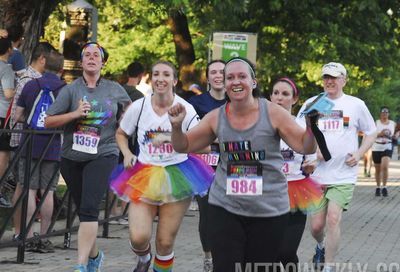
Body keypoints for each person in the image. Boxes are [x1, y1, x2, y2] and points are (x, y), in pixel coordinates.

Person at [168, 57, 318, 272]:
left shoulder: (273, 113)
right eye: (230, 77)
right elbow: (183, 145)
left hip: (268, 209)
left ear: (253, 82)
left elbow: (305, 146)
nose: (235, 82)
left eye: (242, 76)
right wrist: (176, 127)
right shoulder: (215, 118)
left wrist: (312, 130)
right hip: (226, 206)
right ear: (224, 84)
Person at [110, 60, 214, 272]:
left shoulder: (186, 108)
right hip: (144, 173)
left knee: (165, 243)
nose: (160, 79)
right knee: (139, 238)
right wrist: (127, 153)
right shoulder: (139, 107)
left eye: (166, 75)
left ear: (174, 80)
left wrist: (172, 138)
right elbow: (121, 134)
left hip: (178, 174)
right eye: (156, 74)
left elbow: (204, 146)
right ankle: (143, 257)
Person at [45, 42, 131, 272]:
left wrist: (124, 121)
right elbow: (48, 120)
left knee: (90, 208)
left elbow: (130, 111)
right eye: (87, 55)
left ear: (103, 62)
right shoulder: (71, 90)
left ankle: (81, 266)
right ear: (82, 62)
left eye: (97, 55)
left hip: (104, 152)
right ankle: (94, 256)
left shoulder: (114, 89)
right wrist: (74, 114)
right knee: (85, 211)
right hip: (72, 157)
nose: (92, 58)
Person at [297, 62, 376, 272]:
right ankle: (320, 246)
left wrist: (359, 154)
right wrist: (311, 156)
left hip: (343, 175)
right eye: (326, 77)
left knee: (333, 219)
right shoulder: (314, 103)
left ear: (344, 80)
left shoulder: (355, 104)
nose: (329, 81)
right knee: (316, 227)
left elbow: (371, 131)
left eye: (334, 77)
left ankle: (329, 266)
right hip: (317, 174)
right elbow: (298, 132)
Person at [13, 50, 65, 253]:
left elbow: (18, 116)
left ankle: (25, 236)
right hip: (52, 146)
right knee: (48, 192)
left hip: (30, 144)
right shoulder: (65, 89)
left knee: (30, 190)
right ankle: (43, 236)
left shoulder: (30, 85)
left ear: (44, 65)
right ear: (61, 69)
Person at [271, 77, 322, 272]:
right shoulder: (261, 123)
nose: (279, 98)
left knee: (286, 251)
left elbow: (311, 156)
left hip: (296, 190)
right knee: (270, 251)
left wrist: (311, 164)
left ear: (294, 99)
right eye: (275, 93)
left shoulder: (302, 125)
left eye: (285, 94)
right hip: (268, 192)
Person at [188, 59, 226, 272]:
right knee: (208, 213)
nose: (218, 75)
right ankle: (208, 257)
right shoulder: (197, 103)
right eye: (214, 72)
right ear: (208, 77)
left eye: (222, 72)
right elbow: (193, 134)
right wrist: (216, 140)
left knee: (230, 212)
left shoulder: (236, 100)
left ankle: (227, 252)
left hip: (233, 165)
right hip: (203, 164)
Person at [0, 37, 15, 208]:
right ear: (9, 50)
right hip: (3, 115)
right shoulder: (6, 69)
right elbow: (9, 93)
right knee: (3, 155)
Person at [371, 106, 396, 197]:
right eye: (383, 112)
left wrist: (396, 135)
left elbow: (397, 131)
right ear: (380, 114)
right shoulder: (376, 123)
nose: (384, 114)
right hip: (376, 146)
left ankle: (384, 187)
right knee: (378, 169)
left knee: (385, 167)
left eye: (386, 112)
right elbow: (371, 134)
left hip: (387, 146)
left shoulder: (393, 123)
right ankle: (378, 187)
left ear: (388, 114)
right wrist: (380, 134)